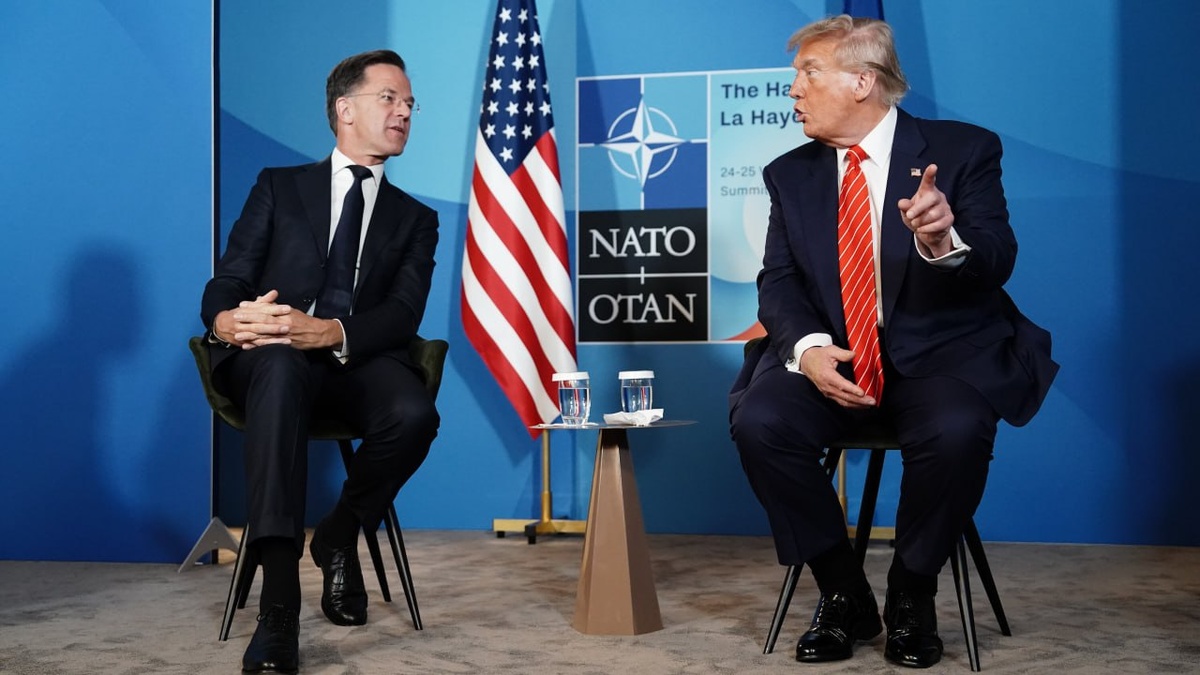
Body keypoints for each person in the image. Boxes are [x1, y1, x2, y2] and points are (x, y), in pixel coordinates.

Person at [729, 15, 1057, 669]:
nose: (793, 89)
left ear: (862, 81)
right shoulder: (789, 174)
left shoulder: (963, 151)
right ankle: (843, 592)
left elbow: (997, 259)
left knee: (958, 428)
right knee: (761, 420)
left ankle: (912, 590)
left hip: (940, 355)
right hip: (838, 359)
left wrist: (943, 238)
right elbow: (779, 282)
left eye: (808, 72)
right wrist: (809, 350)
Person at [200, 49, 439, 673]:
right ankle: (279, 607)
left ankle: (339, 532)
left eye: (410, 104)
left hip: (353, 359)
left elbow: (403, 314)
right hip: (270, 359)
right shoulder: (279, 186)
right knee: (280, 364)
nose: (404, 112)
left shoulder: (417, 218)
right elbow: (229, 278)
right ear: (345, 109)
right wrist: (225, 320)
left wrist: (330, 332)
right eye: (389, 98)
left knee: (414, 413)